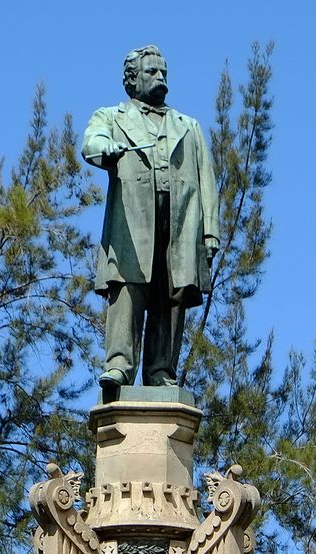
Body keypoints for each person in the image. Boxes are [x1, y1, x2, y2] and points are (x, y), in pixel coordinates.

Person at [82, 45, 219, 389]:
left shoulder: (188, 127)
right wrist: (106, 150)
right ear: (131, 79)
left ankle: (161, 372)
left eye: (163, 73)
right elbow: (91, 142)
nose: (161, 79)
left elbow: (207, 182)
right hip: (132, 223)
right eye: (151, 72)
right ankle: (119, 366)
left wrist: (210, 234)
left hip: (181, 224)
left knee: (171, 296)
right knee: (127, 292)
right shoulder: (111, 118)